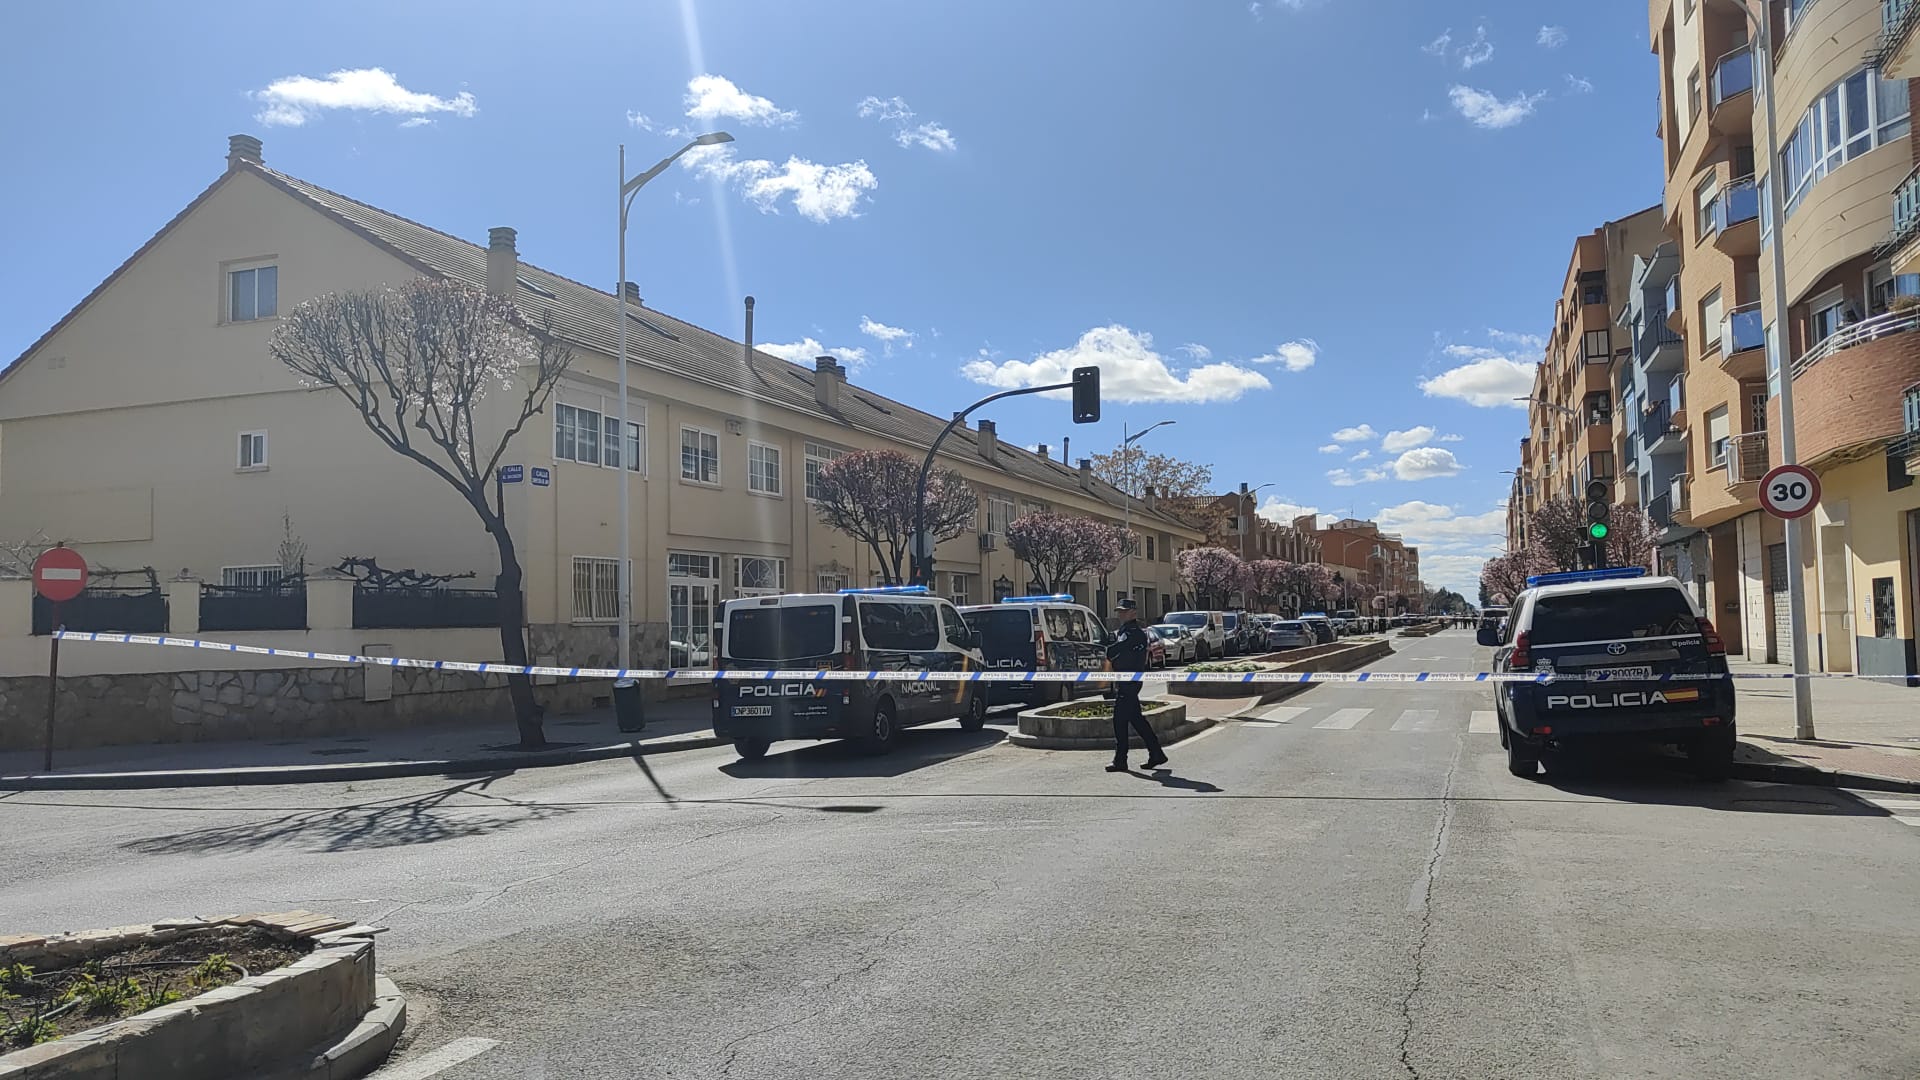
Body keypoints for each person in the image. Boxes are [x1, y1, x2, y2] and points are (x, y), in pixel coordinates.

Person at [1104, 598, 1167, 772]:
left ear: (1133, 612)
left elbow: (1115, 650)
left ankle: (1121, 760)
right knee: (1136, 720)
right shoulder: (1124, 631)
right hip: (1125, 680)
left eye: (1124, 611)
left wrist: (1110, 651)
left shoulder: (1135, 633)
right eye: (1119, 611)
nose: (1120, 614)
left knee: (1119, 720)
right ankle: (1156, 753)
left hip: (1130, 682)